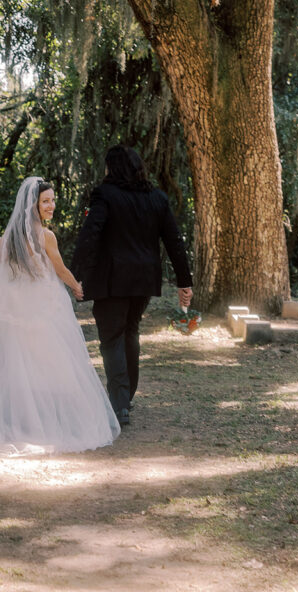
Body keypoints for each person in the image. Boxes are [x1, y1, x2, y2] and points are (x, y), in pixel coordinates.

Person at [0, 177, 120, 455]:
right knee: (47, 358)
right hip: (41, 302)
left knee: (15, 359)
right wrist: (76, 287)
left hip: (13, 301)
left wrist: (14, 262)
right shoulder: (45, 236)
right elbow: (60, 269)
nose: (51, 205)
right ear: (33, 206)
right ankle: (43, 418)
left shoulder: (13, 233)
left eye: (52, 200)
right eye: (45, 201)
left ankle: (19, 417)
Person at [71, 145, 193, 427]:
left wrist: (75, 274)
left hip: (112, 280)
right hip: (142, 281)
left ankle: (120, 403)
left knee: (112, 338)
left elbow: (90, 234)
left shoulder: (105, 195)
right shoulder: (157, 198)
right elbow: (174, 241)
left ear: (112, 168)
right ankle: (125, 397)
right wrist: (184, 281)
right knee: (130, 334)